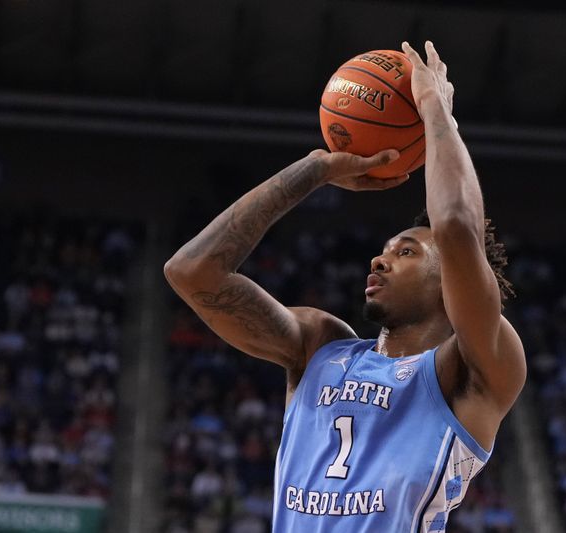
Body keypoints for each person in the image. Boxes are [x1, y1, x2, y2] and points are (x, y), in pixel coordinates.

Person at [164, 41, 526, 532]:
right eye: (386, 248)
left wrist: (435, 108)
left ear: (451, 278)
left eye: (406, 251)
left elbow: (457, 226)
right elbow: (191, 272)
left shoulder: (471, 367)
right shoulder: (319, 345)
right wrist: (313, 171)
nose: (380, 258)